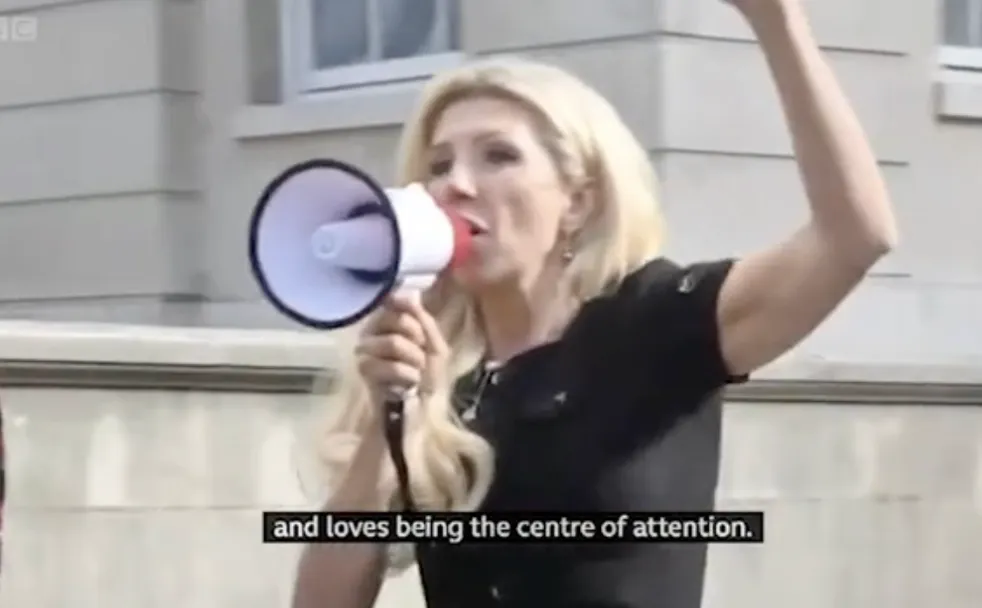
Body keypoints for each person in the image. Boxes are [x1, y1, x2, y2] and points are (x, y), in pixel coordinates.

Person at [291, 0, 899, 606]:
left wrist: (779, 22)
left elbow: (854, 238)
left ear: (577, 203)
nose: (457, 184)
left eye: (498, 155)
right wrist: (388, 423)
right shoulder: (435, 372)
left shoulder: (653, 324)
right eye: (439, 164)